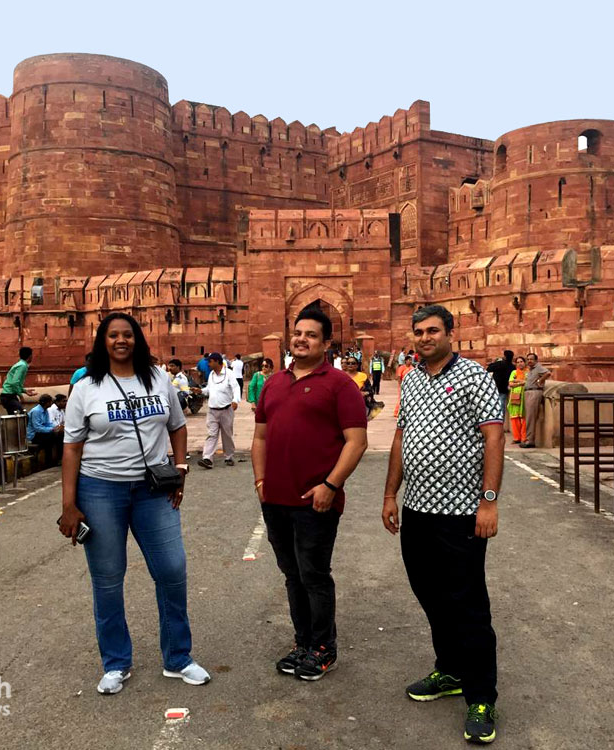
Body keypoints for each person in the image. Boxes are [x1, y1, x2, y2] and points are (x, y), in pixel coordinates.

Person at [58, 311, 209, 694]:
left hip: (152, 490)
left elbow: (176, 425)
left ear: (137, 339)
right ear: (102, 342)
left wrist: (179, 469)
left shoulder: (158, 378)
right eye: (113, 336)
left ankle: (178, 658)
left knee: (172, 570)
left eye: (127, 335)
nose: (121, 341)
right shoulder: (86, 387)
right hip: (100, 489)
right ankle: (115, 663)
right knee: (108, 580)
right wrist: (69, 504)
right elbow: (72, 448)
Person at [382, 304, 505, 745]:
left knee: (468, 601)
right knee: (429, 592)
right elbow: (401, 438)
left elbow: (494, 436)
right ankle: (450, 669)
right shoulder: (411, 379)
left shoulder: (474, 376)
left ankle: (481, 696)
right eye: (418, 331)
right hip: (417, 510)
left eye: (433, 330)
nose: (424, 337)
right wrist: (390, 493)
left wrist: (488, 502)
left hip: (461, 514)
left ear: (451, 333)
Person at [251, 307, 367, 680]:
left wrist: (331, 485)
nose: (302, 339)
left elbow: (357, 441)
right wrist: (259, 481)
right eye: (297, 333)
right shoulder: (273, 383)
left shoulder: (339, 384)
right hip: (276, 500)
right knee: (291, 574)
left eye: (311, 335)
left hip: (317, 500)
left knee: (314, 574)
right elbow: (260, 437)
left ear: (326, 343)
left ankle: (323, 648)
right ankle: (303, 642)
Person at [195, 353, 240, 469]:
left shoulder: (229, 374)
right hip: (212, 410)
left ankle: (229, 456)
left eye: (210, 362)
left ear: (216, 361)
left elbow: (236, 387)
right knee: (212, 434)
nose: (208, 364)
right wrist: (200, 391)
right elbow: (209, 389)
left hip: (226, 409)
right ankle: (207, 458)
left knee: (227, 435)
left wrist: (235, 400)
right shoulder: (211, 375)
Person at [520, 353, 550, 449]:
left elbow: (548, 373)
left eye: (531, 359)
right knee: (528, 417)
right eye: (528, 359)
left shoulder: (538, 367)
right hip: (529, 392)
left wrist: (540, 381)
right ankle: (528, 438)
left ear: (536, 360)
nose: (529, 361)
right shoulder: (531, 369)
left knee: (530, 417)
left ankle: (530, 440)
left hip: (534, 392)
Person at [28, 394, 64, 462]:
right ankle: (51, 460)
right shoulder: (36, 411)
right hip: (34, 435)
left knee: (59, 435)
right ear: (47, 403)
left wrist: (56, 428)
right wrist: (52, 429)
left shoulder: (45, 410)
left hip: (42, 432)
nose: (52, 403)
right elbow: (37, 427)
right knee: (52, 437)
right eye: (51, 402)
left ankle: (59, 458)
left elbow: (48, 423)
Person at [0, 347, 37, 414]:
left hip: (9, 395)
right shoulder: (22, 366)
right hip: (8, 396)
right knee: (20, 416)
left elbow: (14, 382)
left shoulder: (20, 364)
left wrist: (25, 391)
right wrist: (20, 396)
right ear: (30, 356)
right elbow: (14, 382)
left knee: (16, 417)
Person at [486, 350, 515, 424]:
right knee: (501, 407)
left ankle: (497, 423)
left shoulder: (500, 364)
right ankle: (501, 423)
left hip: (496, 388)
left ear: (505, 356)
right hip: (504, 389)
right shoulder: (512, 366)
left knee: (494, 407)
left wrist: (495, 361)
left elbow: (489, 368)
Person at [507, 356, 528, 445]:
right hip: (515, 396)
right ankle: (516, 438)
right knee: (514, 418)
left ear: (524, 362)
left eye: (521, 361)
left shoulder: (528, 372)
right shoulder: (514, 372)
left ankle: (524, 438)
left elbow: (527, 382)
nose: (520, 363)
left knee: (524, 418)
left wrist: (517, 381)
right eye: (518, 362)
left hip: (525, 396)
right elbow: (511, 384)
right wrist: (521, 382)